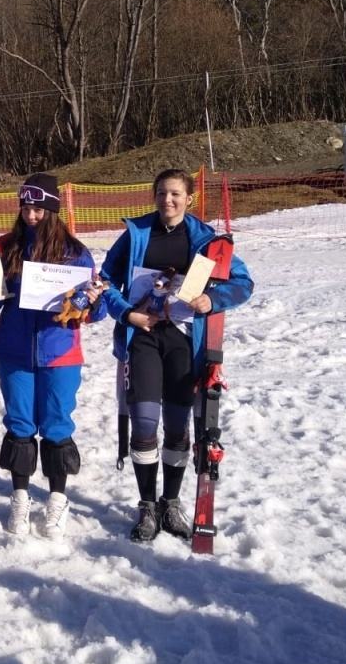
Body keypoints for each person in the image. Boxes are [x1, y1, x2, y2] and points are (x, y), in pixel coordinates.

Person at [99, 167, 253, 543]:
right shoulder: (137, 233)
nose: (167, 200)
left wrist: (212, 299)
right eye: (161, 193)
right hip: (144, 338)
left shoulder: (206, 239)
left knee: (177, 426)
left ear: (189, 198)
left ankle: (170, 503)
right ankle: (147, 506)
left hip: (184, 342)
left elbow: (244, 283)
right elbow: (104, 280)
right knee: (145, 423)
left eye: (175, 194)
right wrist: (127, 313)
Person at [0, 173, 106, 539]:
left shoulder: (75, 251)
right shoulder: (5, 246)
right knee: (20, 425)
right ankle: (20, 497)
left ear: (52, 210)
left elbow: (95, 312)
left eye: (38, 209)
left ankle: (57, 499)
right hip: (16, 351)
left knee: (56, 425)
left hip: (60, 352)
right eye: (26, 208)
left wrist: (93, 301)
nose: (31, 215)